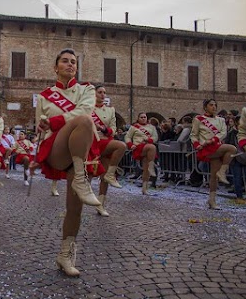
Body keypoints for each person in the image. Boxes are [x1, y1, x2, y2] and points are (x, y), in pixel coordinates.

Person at [34, 48, 100, 277]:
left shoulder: (87, 90)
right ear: (56, 67)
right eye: (65, 61)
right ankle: (82, 180)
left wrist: (54, 120)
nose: (70, 64)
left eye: (73, 62)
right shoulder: (44, 96)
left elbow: (86, 109)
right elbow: (40, 129)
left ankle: (65, 254)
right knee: (82, 120)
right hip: (56, 150)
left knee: (74, 209)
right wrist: (43, 127)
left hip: (79, 154)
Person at [190, 99, 236, 209]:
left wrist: (212, 140)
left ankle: (212, 200)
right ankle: (222, 171)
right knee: (232, 149)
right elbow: (193, 135)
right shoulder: (198, 119)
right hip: (206, 149)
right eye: (211, 105)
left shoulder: (221, 120)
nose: (214, 107)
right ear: (205, 107)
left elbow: (223, 133)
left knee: (213, 177)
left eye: (215, 105)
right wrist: (197, 145)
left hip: (217, 146)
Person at [91, 85, 126, 216]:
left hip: (106, 142)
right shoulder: (87, 108)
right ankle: (73, 207)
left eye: (104, 93)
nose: (102, 95)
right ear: (94, 94)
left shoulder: (110, 110)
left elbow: (113, 128)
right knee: (85, 177)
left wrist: (104, 129)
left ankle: (100, 205)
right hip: (92, 142)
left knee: (104, 177)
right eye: (100, 92)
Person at [124, 112, 158, 195]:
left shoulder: (152, 127)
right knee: (152, 147)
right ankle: (151, 165)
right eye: (141, 117)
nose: (143, 118)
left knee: (146, 170)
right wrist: (130, 145)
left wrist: (149, 140)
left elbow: (155, 137)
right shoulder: (134, 127)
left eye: (145, 117)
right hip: (138, 147)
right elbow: (127, 136)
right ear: (138, 118)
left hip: (148, 148)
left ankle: (144, 189)